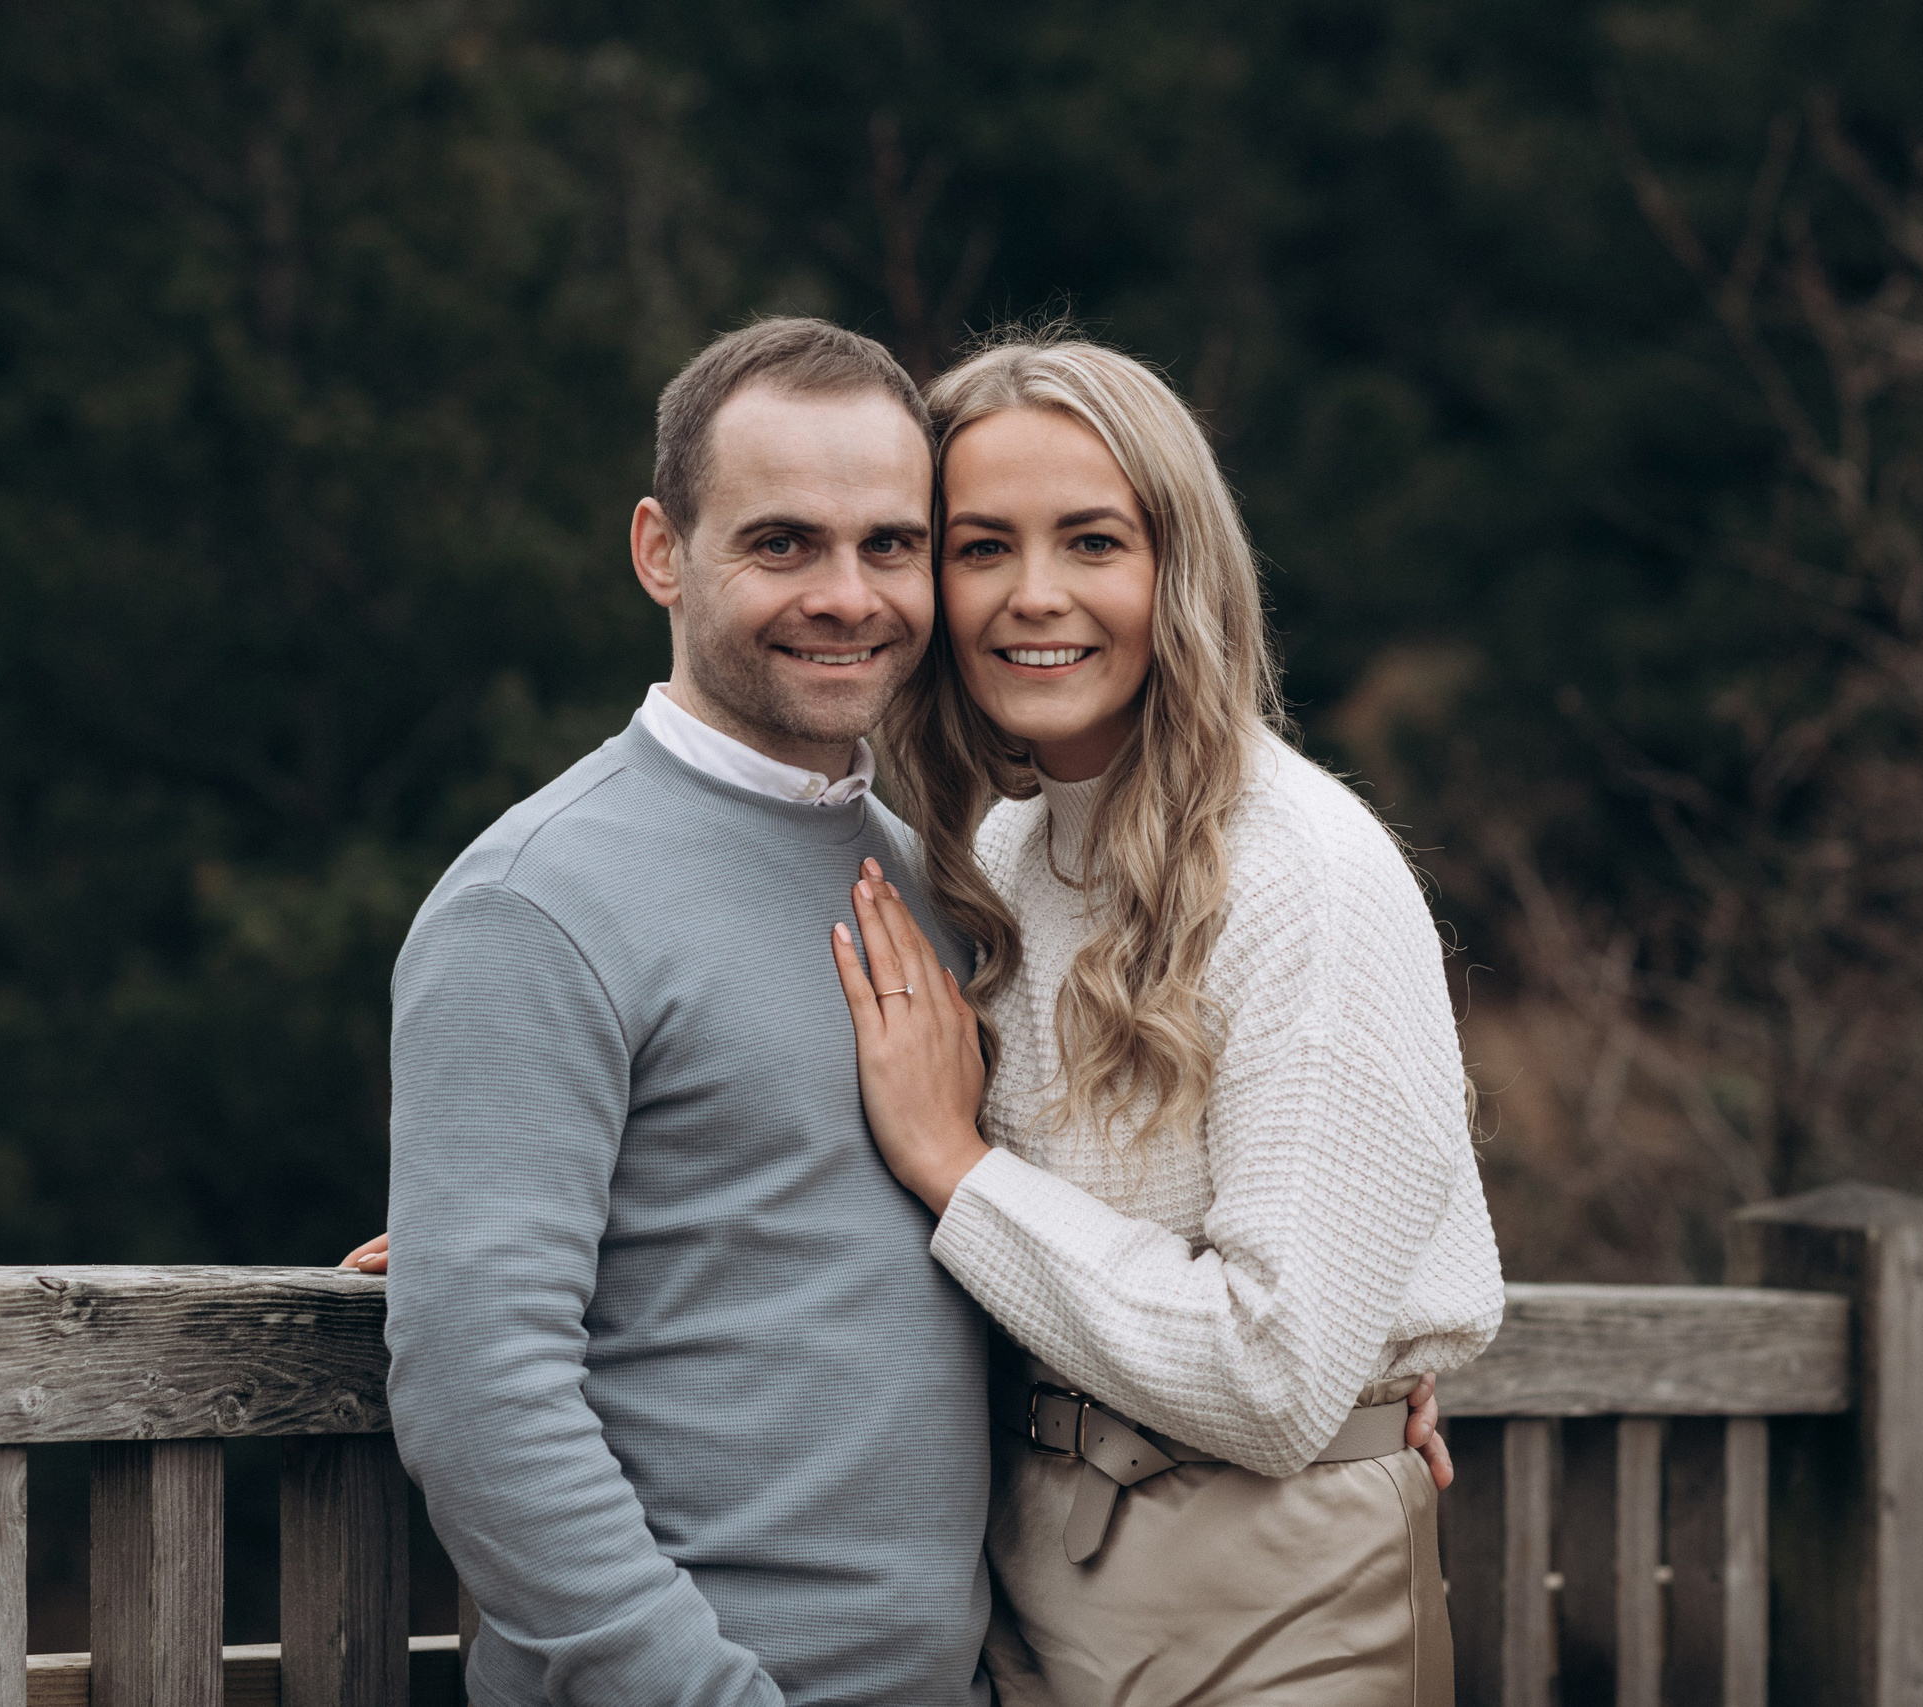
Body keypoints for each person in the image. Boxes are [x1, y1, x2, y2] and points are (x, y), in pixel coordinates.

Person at [360, 315, 1456, 1707]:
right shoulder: (539, 897)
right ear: (659, 552)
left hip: (1046, 1650)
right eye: (780, 544)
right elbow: (481, 1390)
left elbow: (982, 1214)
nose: (847, 594)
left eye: (891, 544)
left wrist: (1371, 1353)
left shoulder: (934, 867)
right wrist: (496, 1238)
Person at [827, 329, 1505, 1706]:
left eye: (1092, 541)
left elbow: (1274, 1377)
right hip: (1025, 1559)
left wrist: (964, 1172)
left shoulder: (1302, 869)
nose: (1035, 597)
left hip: (1272, 1595)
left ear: (1177, 567)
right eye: (979, 548)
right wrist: (575, 1236)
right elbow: (867, 1124)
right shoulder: (999, 855)